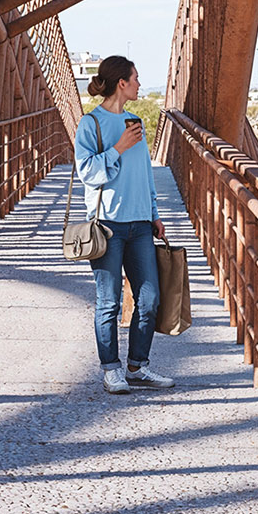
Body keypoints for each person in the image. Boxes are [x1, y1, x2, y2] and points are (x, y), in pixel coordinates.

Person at [74, 55, 174, 395]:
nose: (139, 84)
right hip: (107, 225)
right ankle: (111, 370)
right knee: (109, 302)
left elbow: (145, 173)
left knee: (149, 299)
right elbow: (88, 173)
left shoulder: (136, 122)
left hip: (141, 224)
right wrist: (118, 148)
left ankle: (137, 367)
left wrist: (154, 213)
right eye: (136, 78)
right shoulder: (91, 124)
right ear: (122, 83)